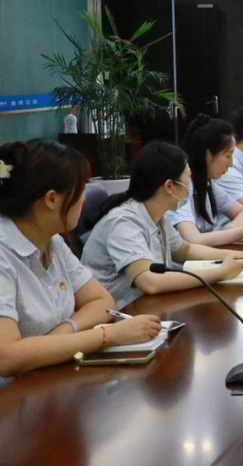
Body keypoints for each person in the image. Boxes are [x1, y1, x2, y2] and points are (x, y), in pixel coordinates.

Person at [0, 140, 161, 378]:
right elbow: (6, 356)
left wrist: (63, 334)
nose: (84, 198)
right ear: (51, 199)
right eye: (81, 188)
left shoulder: (52, 241)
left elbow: (101, 301)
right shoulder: (4, 251)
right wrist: (108, 336)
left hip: (50, 376)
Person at [83, 142, 243, 309]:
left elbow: (185, 250)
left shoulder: (156, 215)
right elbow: (151, 282)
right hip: (120, 316)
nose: (190, 184)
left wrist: (239, 256)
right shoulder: (124, 222)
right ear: (169, 186)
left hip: (147, 307)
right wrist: (221, 272)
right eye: (187, 179)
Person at [169, 115, 243, 246]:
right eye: (227, 156)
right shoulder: (181, 188)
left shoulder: (207, 183)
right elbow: (194, 240)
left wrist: (231, 229)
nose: (230, 164)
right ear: (207, 155)